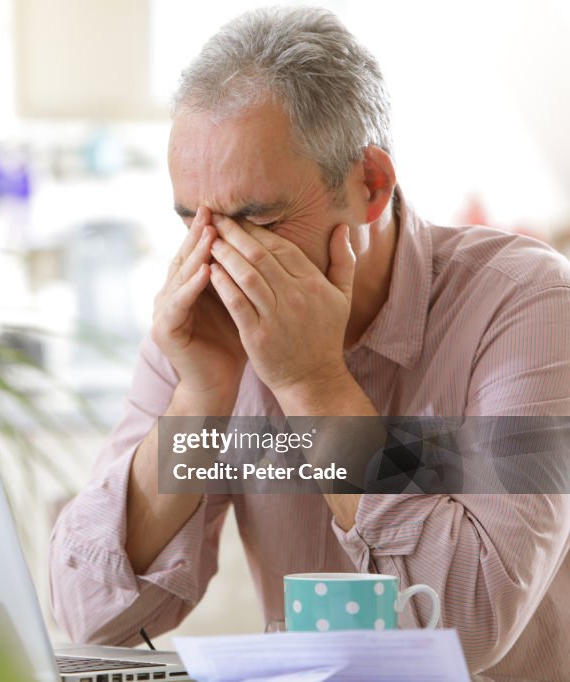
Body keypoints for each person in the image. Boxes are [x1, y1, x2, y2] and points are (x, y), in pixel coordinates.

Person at [48, 7, 570, 678]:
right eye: (191, 220)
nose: (215, 258)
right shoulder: (203, 322)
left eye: (256, 219)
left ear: (370, 186)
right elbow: (92, 617)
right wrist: (200, 397)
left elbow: (470, 626)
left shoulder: (528, 305)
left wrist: (314, 386)